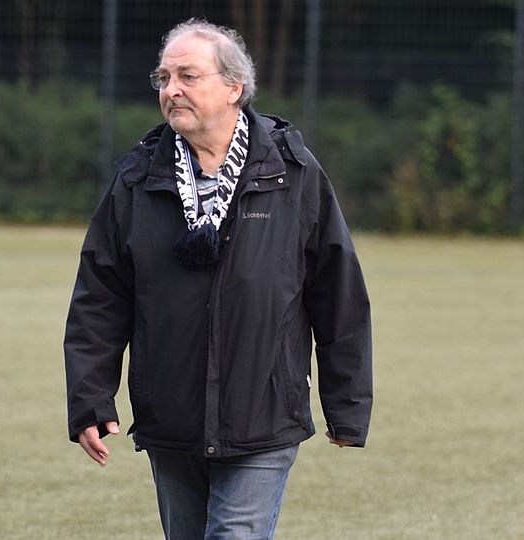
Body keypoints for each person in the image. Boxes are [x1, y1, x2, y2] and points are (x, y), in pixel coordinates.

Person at [64, 18, 372, 539]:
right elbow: (100, 298)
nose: (171, 90)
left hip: (264, 415)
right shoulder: (137, 179)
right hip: (171, 417)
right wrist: (91, 401)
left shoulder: (293, 174)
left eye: (188, 76)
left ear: (234, 88)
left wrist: (347, 407)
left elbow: (337, 293)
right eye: (164, 78)